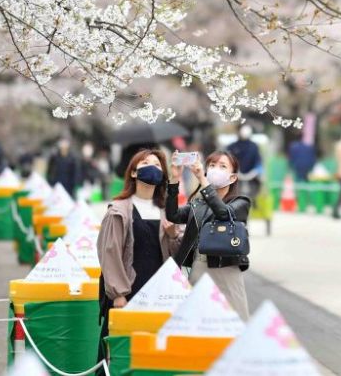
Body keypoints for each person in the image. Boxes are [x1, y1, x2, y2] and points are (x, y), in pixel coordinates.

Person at [96, 149, 181, 357]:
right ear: (133, 173)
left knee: (151, 354)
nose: (152, 167)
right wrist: (118, 294)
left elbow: (178, 259)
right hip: (128, 292)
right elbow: (110, 253)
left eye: (157, 164)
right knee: (122, 353)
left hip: (157, 296)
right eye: (145, 163)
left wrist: (172, 235)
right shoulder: (118, 210)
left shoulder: (166, 211)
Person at [167, 151, 252, 319]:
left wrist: (203, 181)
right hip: (199, 267)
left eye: (222, 166)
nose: (215, 169)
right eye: (212, 165)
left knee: (233, 323)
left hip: (226, 270)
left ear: (233, 177)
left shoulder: (241, 202)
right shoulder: (198, 204)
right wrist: (174, 179)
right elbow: (173, 215)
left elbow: (222, 213)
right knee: (198, 322)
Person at [227, 125, 262, 197]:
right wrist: (235, 171)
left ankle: (253, 203)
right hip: (235, 175)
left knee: (253, 193)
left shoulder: (254, 146)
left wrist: (254, 172)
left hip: (252, 176)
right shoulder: (232, 146)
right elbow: (229, 159)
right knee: (234, 193)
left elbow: (258, 161)